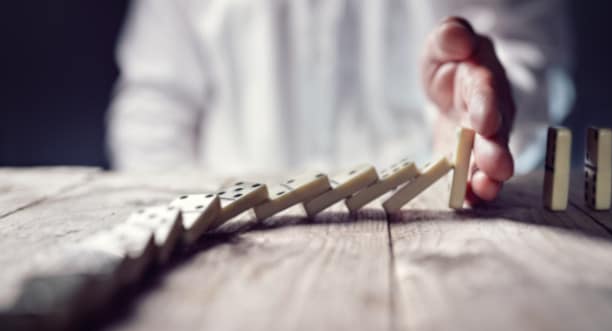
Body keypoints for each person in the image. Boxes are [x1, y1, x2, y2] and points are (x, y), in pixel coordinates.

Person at [107, 0, 573, 204]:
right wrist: (186, 223)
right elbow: (154, 107)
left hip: (429, 225)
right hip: (227, 237)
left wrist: (492, 113)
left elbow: (531, 54)